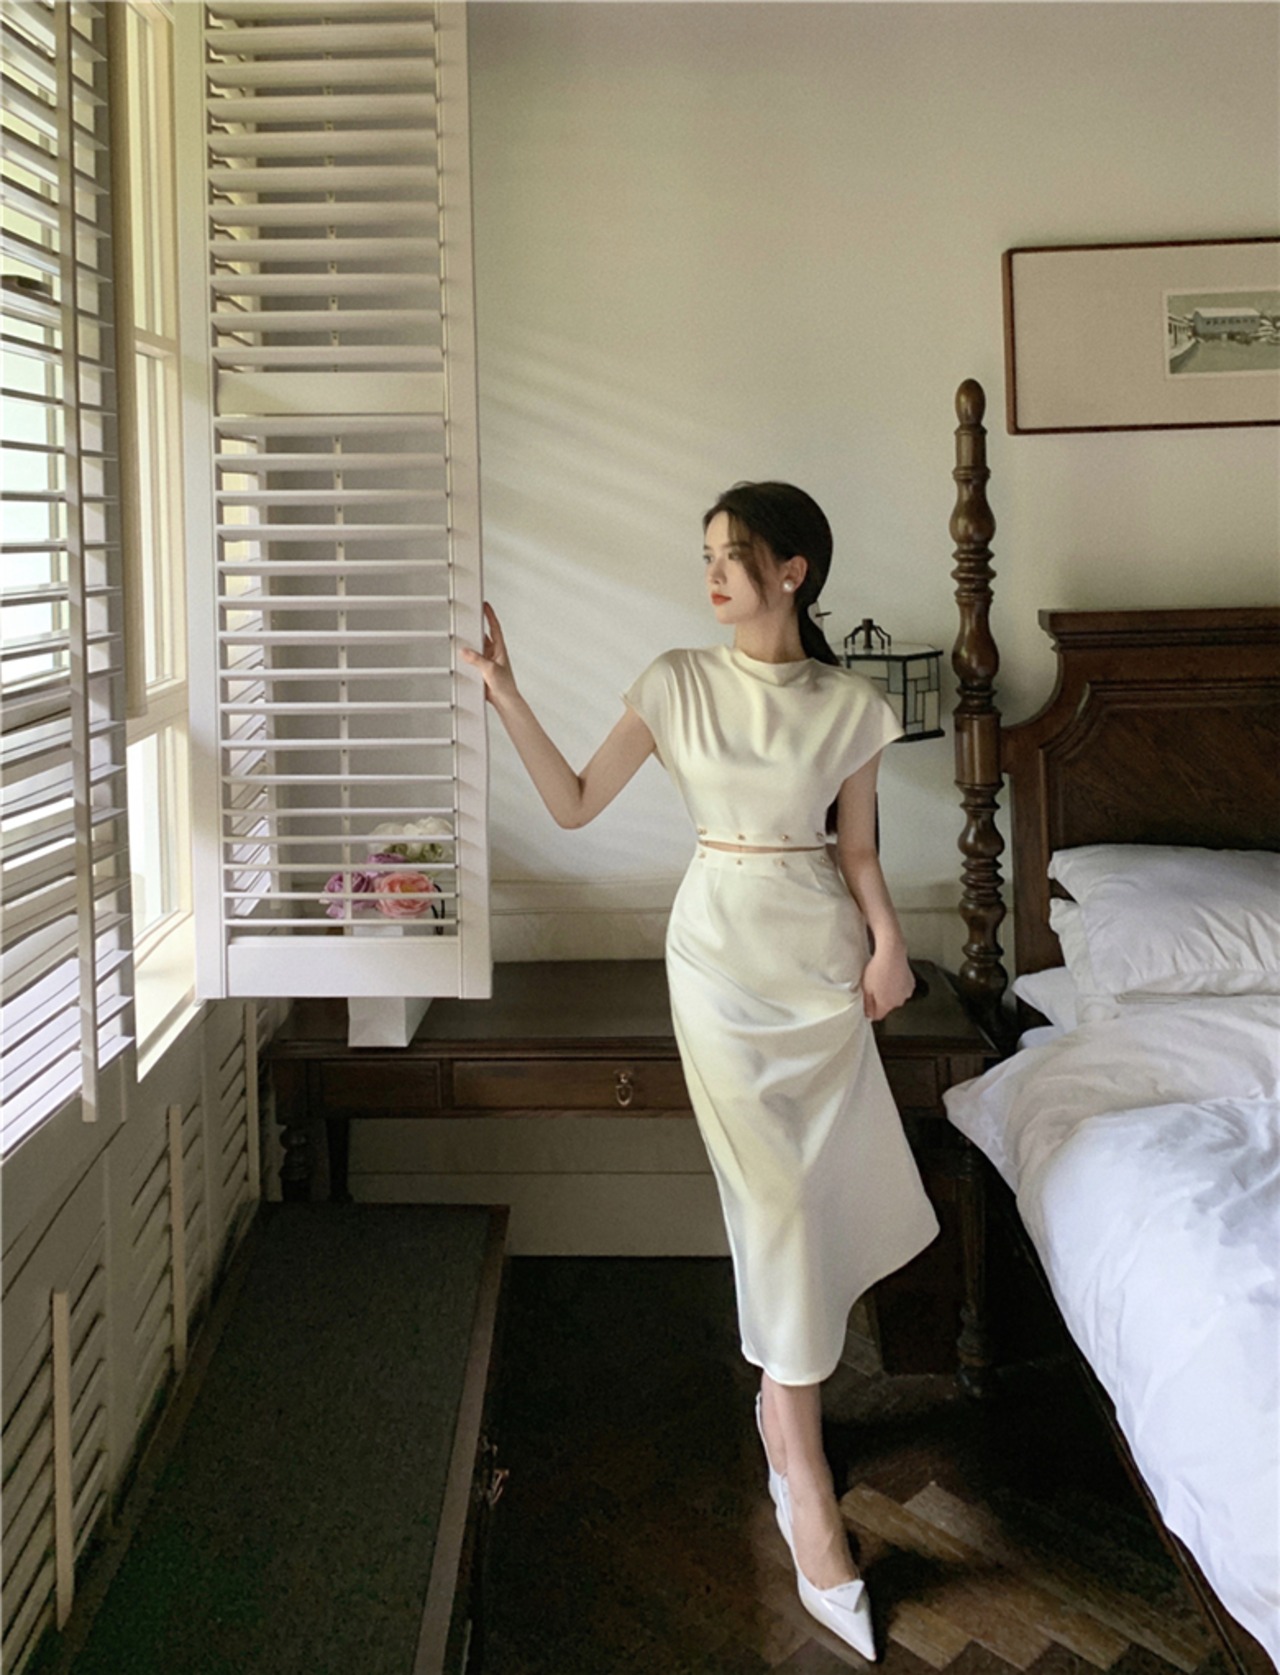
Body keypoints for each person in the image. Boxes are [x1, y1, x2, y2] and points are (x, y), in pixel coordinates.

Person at [462, 481, 940, 1659]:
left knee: (810, 1200)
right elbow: (574, 804)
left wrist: (886, 944)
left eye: (733, 555)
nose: (712, 573)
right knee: (772, 1202)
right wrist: (504, 691)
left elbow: (856, 851)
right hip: (719, 964)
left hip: (818, 965)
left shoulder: (850, 704)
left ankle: (783, 1410)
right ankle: (801, 1468)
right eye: (707, 556)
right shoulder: (674, 680)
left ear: (793, 571)